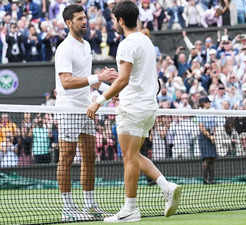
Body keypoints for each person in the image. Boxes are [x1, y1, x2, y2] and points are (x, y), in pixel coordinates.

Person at [86, 1, 181, 222]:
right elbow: (139, 79)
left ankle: (130, 209)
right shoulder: (146, 41)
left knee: (129, 158)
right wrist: (118, 89)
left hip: (132, 108)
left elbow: (123, 79)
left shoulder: (127, 45)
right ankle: (166, 187)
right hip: (148, 107)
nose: (113, 24)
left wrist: (98, 101)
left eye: (114, 20)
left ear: (120, 21)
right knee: (134, 155)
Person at [54, 4, 118, 221]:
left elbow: (86, 78)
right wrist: (99, 78)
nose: (84, 22)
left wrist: (109, 91)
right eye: (79, 19)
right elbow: (66, 82)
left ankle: (89, 205)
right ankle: (67, 208)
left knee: (90, 156)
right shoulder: (64, 48)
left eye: (85, 18)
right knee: (67, 157)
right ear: (68, 23)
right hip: (68, 108)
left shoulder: (86, 45)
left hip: (86, 107)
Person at [197, 96, 217, 184]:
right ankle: (205, 180)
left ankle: (212, 179)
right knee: (206, 159)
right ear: (204, 103)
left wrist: (214, 135)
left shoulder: (212, 111)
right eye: (208, 102)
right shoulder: (200, 112)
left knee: (212, 158)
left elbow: (215, 125)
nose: (209, 103)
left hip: (211, 135)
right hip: (204, 137)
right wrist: (210, 136)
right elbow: (201, 127)